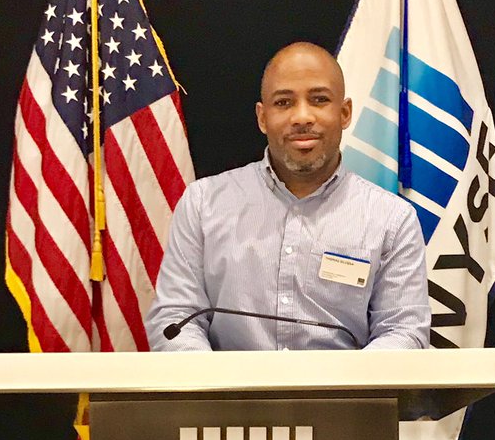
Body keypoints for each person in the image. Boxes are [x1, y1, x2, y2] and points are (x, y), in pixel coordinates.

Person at [145, 42, 430, 351]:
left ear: (345, 113)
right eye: (284, 103)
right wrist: (221, 389)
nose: (302, 117)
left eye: (319, 100)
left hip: (346, 397)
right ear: (262, 117)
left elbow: (404, 332)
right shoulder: (203, 204)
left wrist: (341, 389)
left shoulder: (391, 219)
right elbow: (174, 319)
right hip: (231, 397)